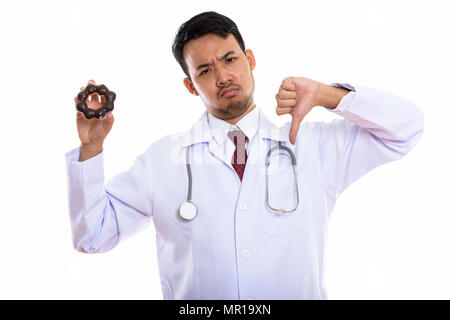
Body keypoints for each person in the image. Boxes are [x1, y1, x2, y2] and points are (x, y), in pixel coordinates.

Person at [65, 11, 424, 299]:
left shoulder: (311, 146)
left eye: (230, 59)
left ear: (250, 60)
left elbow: (406, 129)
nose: (222, 76)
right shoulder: (164, 160)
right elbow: (92, 236)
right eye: (205, 70)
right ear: (191, 86)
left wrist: (326, 94)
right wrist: (92, 148)